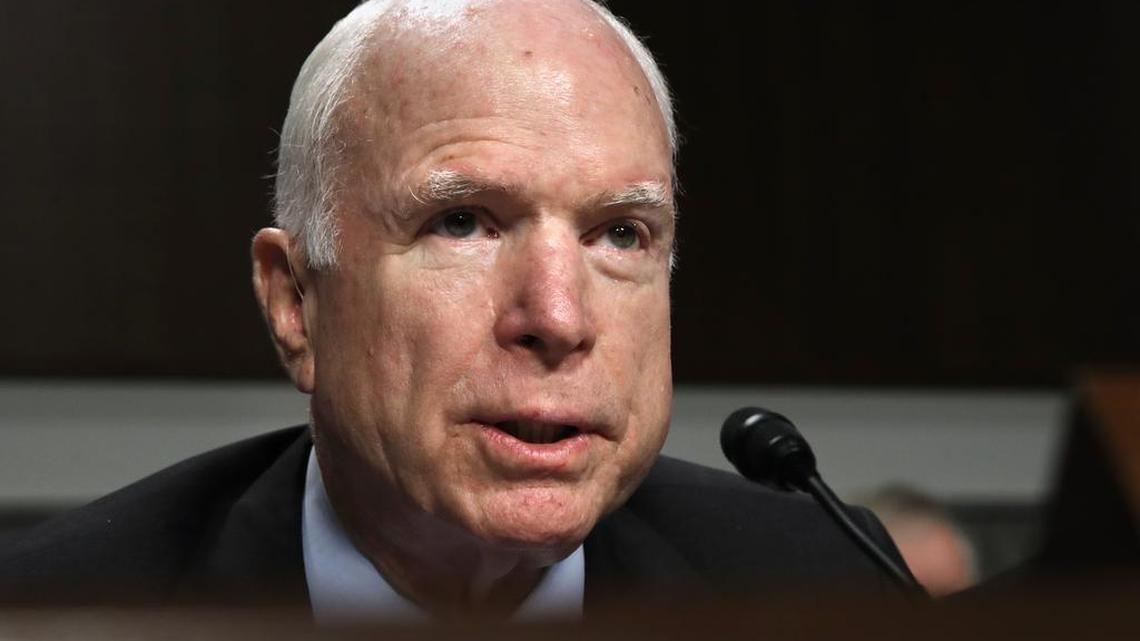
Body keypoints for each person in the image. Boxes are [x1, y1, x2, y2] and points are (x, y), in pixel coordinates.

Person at [0, 0, 909, 622]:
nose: (558, 317)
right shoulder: (61, 609)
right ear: (295, 302)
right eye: (462, 222)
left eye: (620, 234)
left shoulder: (826, 590)